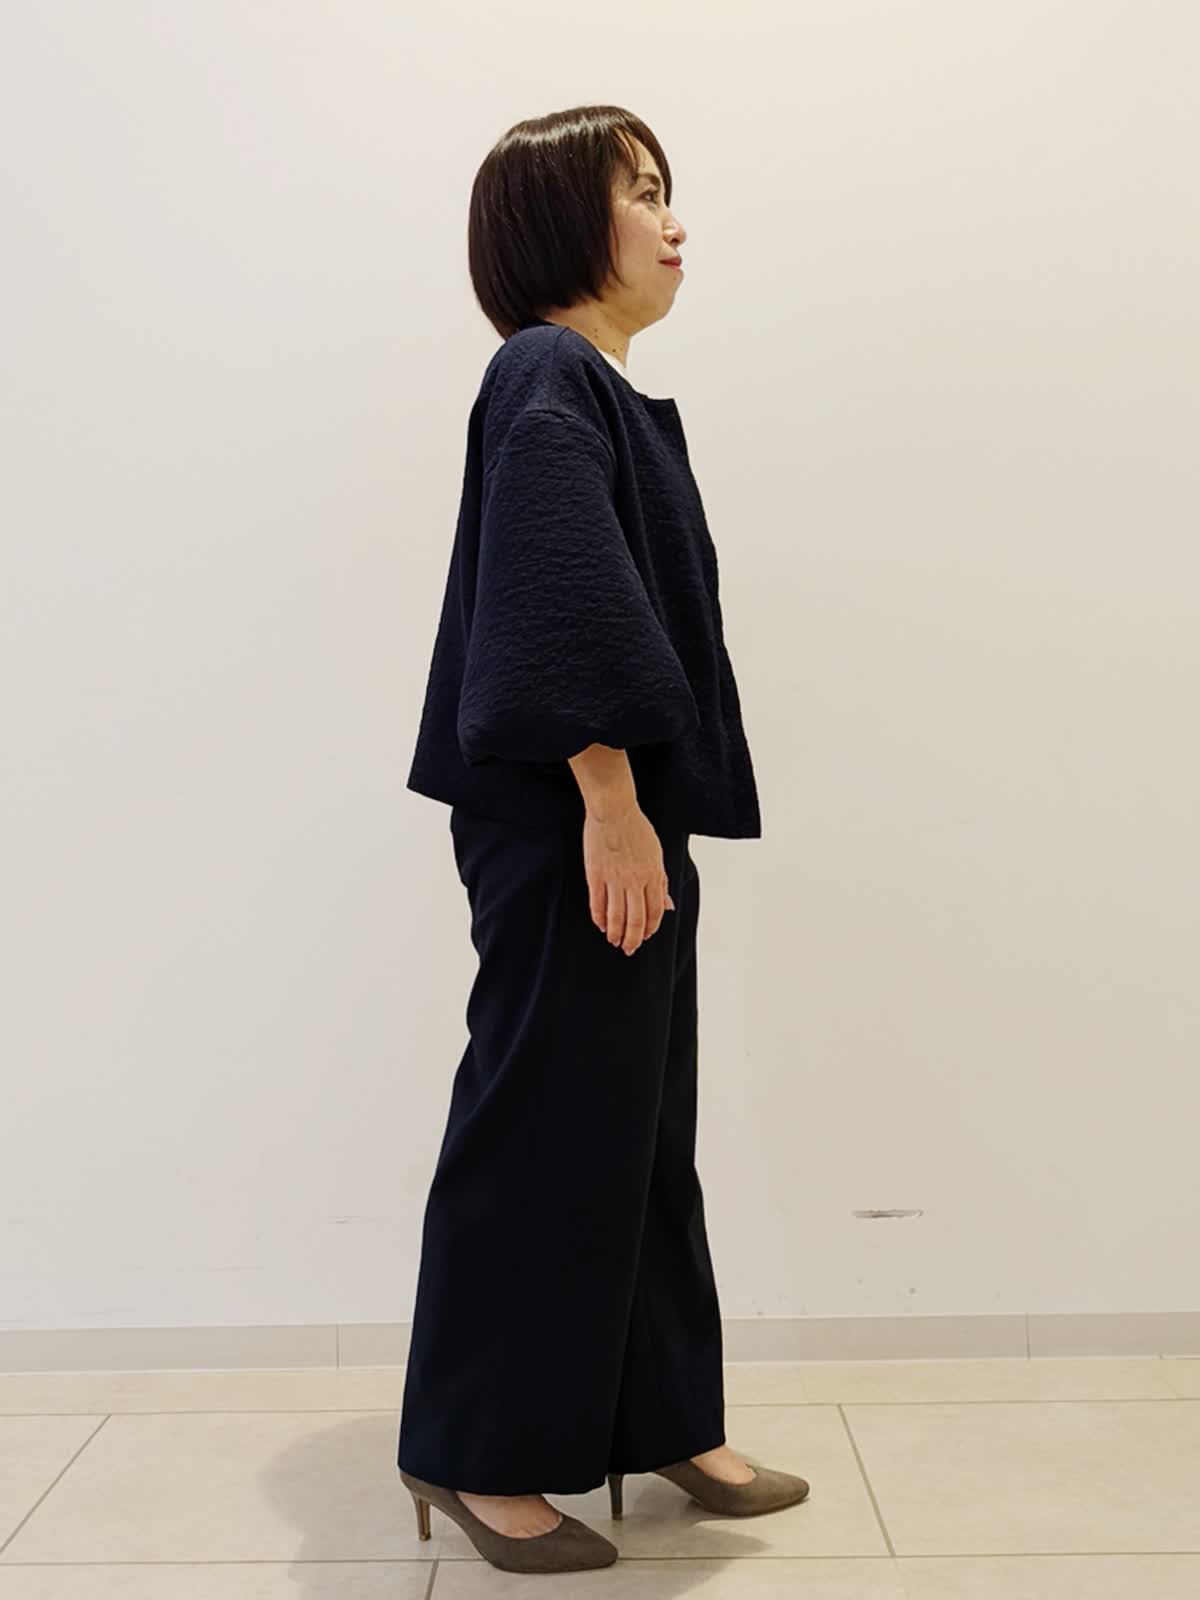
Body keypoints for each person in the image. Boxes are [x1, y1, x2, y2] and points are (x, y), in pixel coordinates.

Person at [397, 103, 809, 1575]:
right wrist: (614, 804)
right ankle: (475, 1453)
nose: (673, 219)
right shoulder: (545, 371)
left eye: (667, 189)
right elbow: (555, 594)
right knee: (544, 1129)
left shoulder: (595, 387)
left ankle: (660, 1416)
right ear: (564, 223)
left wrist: (634, 810)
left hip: (611, 817)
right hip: (573, 821)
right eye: (642, 192)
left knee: (635, 1132)